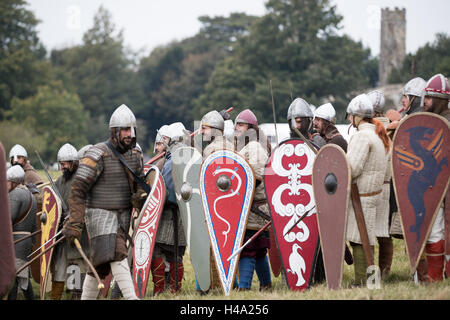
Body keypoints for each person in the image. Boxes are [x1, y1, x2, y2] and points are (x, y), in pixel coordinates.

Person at [63, 104, 145, 300]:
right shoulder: (97, 154)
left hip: (123, 217)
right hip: (99, 215)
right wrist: (75, 221)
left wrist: (140, 195)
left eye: (132, 129)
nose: (129, 134)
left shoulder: (135, 155)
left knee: (98, 266)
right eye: (125, 129)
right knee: (118, 253)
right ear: (115, 131)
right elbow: (78, 189)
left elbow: (141, 183)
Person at [345, 93, 390, 286]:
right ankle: (373, 281)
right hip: (372, 195)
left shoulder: (362, 136)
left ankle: (361, 281)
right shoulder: (377, 135)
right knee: (368, 240)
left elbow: (352, 169)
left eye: (350, 115)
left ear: (357, 116)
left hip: (361, 196)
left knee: (358, 240)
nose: (348, 119)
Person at [233, 109, 272, 291]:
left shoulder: (255, 147)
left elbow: (254, 177)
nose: (237, 128)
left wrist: (238, 191)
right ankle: (266, 285)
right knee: (258, 250)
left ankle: (244, 287)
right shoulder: (247, 146)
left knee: (247, 248)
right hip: (253, 207)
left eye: (240, 124)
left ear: (250, 128)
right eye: (236, 124)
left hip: (254, 207)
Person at [151, 122, 187, 295]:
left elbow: (163, 189)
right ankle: (175, 290)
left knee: (157, 250)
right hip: (184, 213)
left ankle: (160, 289)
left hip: (169, 212)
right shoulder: (189, 154)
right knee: (176, 254)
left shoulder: (172, 159)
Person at [50, 143, 89, 300]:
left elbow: (89, 205)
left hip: (81, 234)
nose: (62, 167)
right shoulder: (59, 182)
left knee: (80, 269)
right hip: (63, 234)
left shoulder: (84, 181)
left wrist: (76, 218)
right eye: (61, 164)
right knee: (65, 268)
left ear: (74, 163)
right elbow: (53, 205)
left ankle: (79, 296)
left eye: (65, 164)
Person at [420, 73, 450, 281]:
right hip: (434, 188)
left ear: (440, 100)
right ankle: (435, 276)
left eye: (429, 98)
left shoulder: (446, 123)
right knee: (435, 231)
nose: (425, 102)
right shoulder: (429, 123)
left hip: (446, 186)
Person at [7, 165, 37, 300]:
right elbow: (34, 225)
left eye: (7, 181)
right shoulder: (30, 195)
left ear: (14, 181)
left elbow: (7, 219)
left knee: (13, 278)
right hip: (26, 240)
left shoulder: (15, 194)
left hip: (16, 241)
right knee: (21, 278)